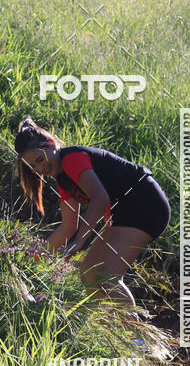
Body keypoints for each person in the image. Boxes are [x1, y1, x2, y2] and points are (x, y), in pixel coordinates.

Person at [14, 118, 170, 309]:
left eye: (40, 159)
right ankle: (110, 329)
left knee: (107, 276)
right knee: (89, 272)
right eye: (33, 167)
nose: (39, 169)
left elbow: (100, 199)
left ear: (51, 144)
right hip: (125, 212)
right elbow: (68, 226)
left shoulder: (71, 158)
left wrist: (80, 241)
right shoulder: (62, 180)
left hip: (144, 203)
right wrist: (35, 257)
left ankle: (136, 338)